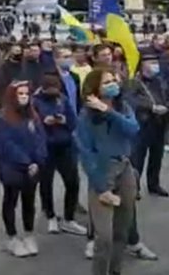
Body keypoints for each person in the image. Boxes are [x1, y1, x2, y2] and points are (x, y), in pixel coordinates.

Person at [76, 68, 139, 275]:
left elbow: (133, 129)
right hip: (103, 172)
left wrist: (108, 111)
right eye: (106, 82)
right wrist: (101, 187)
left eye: (114, 80)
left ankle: (115, 271)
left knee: (122, 229)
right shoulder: (85, 116)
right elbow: (86, 153)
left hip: (125, 168)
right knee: (104, 237)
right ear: (95, 88)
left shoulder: (122, 107)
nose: (113, 84)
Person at [0, 80, 46, 258]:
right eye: (20, 94)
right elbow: (5, 144)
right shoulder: (4, 117)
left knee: (29, 201)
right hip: (12, 167)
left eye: (26, 94)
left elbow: (40, 138)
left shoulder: (33, 115)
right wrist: (26, 162)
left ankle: (29, 234)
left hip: (33, 167)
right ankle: (12, 237)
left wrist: (38, 159)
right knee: (11, 200)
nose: (24, 97)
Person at [32, 73, 87, 235]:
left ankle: (69, 218)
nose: (54, 92)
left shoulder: (62, 99)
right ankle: (50, 215)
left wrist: (64, 121)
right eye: (50, 90)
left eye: (55, 89)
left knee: (72, 182)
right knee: (46, 183)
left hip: (65, 145)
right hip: (46, 147)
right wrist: (44, 122)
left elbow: (74, 121)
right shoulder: (35, 102)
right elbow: (31, 125)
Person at [126, 52, 169, 197]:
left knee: (157, 156)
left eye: (155, 62)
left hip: (160, 123)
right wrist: (151, 107)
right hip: (143, 124)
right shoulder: (134, 82)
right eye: (150, 62)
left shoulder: (160, 81)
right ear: (142, 65)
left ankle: (154, 184)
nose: (154, 65)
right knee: (137, 157)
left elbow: (166, 96)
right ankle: (134, 187)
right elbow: (132, 100)